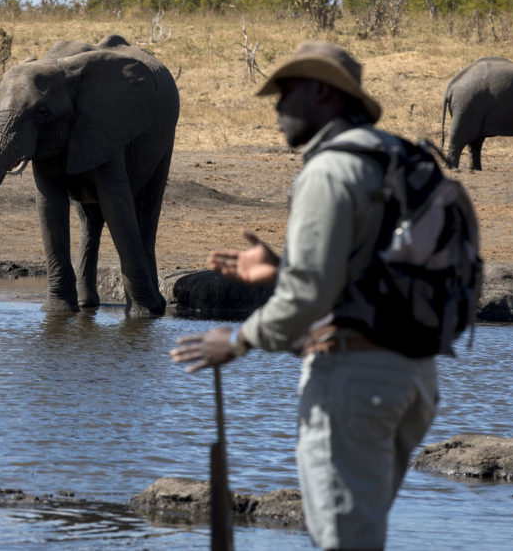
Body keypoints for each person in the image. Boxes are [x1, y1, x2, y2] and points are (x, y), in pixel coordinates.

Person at [170, 42, 439, 550]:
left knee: (343, 541)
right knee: (363, 535)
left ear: (322, 92)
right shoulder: (398, 157)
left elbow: (309, 295)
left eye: (285, 91)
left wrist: (240, 340)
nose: (274, 106)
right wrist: (280, 269)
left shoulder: (328, 170)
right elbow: (364, 272)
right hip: (414, 378)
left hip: (353, 380)